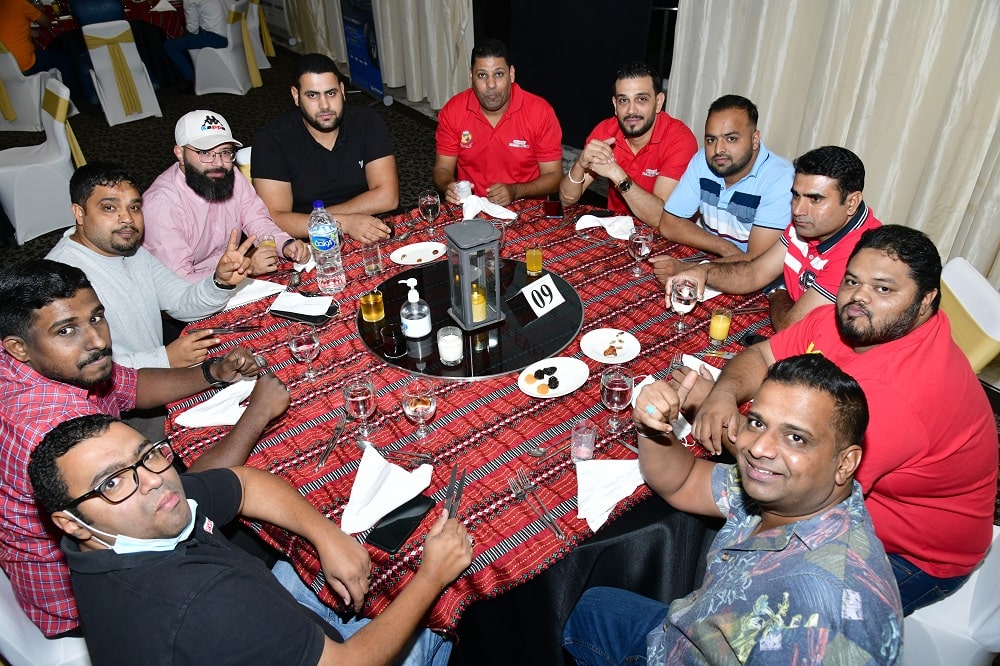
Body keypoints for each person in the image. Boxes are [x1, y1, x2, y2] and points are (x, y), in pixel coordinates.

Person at [641, 225, 998, 615]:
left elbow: (797, 483)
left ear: (927, 300)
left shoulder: (900, 395)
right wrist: (724, 394)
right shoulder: (847, 321)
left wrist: (705, 405)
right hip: (838, 488)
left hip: (914, 556)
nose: (859, 297)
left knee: (754, 614)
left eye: (883, 289)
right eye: (852, 280)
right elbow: (761, 356)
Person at [29, 414, 472, 664]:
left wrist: (326, 535)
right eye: (112, 483)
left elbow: (243, 484)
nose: (153, 482)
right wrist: (431, 578)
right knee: (461, 604)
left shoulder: (119, 527)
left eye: (146, 455)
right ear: (69, 522)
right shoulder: (200, 605)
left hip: (261, 616)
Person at [0, 260, 290, 636]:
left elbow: (128, 386)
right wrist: (257, 414)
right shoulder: (56, 431)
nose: (98, 340)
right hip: (95, 600)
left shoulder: (51, 362)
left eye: (96, 317)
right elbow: (174, 505)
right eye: (66, 330)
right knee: (273, 541)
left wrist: (211, 374)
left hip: (116, 520)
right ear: (18, 347)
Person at [564, 354, 902, 664]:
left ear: (845, 463)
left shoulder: (827, 620)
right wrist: (650, 427)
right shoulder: (792, 495)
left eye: (795, 438)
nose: (759, 448)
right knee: (586, 608)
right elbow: (684, 480)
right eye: (757, 423)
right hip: (679, 639)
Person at [47, 161, 252, 369]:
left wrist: (220, 282)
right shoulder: (60, 279)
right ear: (79, 213)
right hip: (122, 395)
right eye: (110, 208)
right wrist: (164, 359)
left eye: (134, 207)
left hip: (153, 375)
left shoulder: (132, 251)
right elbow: (81, 367)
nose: (127, 218)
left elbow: (181, 301)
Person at [664, 146, 881, 330]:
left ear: (852, 203)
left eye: (815, 199)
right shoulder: (809, 225)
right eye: (796, 195)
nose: (798, 210)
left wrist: (778, 290)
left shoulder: (860, 256)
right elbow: (755, 272)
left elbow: (791, 327)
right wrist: (703, 271)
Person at [142, 110, 311, 282]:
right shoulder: (161, 205)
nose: (218, 163)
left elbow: (257, 220)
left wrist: (286, 245)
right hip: (193, 294)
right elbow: (179, 283)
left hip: (232, 277)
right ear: (180, 154)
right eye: (206, 153)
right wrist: (245, 268)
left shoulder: (230, 175)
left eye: (225, 152)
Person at [253, 53, 399, 244]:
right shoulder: (271, 140)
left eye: (331, 93)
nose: (325, 105)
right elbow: (275, 219)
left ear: (342, 90)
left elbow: (388, 198)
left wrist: (319, 218)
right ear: (296, 96)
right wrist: (342, 223)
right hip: (309, 242)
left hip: (370, 226)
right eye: (312, 95)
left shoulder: (366, 122)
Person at [649, 95, 793, 268]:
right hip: (715, 260)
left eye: (731, 139)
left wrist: (691, 270)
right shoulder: (703, 160)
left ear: (755, 140)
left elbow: (758, 264)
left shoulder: (780, 179)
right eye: (711, 140)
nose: (718, 150)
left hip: (763, 284)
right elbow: (669, 224)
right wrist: (723, 247)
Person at [558, 63, 697, 229]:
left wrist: (616, 174)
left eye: (641, 99)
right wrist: (580, 164)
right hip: (615, 232)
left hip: (667, 240)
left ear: (659, 102)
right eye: (624, 100)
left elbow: (661, 220)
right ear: (615, 105)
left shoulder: (679, 139)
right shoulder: (606, 131)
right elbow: (567, 199)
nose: (631, 110)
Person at [433, 38, 563, 206]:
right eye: (482, 75)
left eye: (499, 74)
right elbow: (442, 168)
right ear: (471, 76)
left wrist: (516, 191)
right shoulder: (453, 111)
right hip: (472, 207)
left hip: (526, 210)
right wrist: (448, 186)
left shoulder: (540, 112)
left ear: (512, 74)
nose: (491, 84)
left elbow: (554, 177)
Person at [0, 0, 84, 103]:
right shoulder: (19, 3)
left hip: (4, 69)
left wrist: (28, 30)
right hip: (24, 66)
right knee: (63, 60)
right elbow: (47, 24)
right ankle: (67, 97)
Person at [163, 0, 227, 86]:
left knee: (170, 45)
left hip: (215, 38)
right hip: (227, 33)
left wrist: (182, 35)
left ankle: (190, 80)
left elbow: (192, 29)